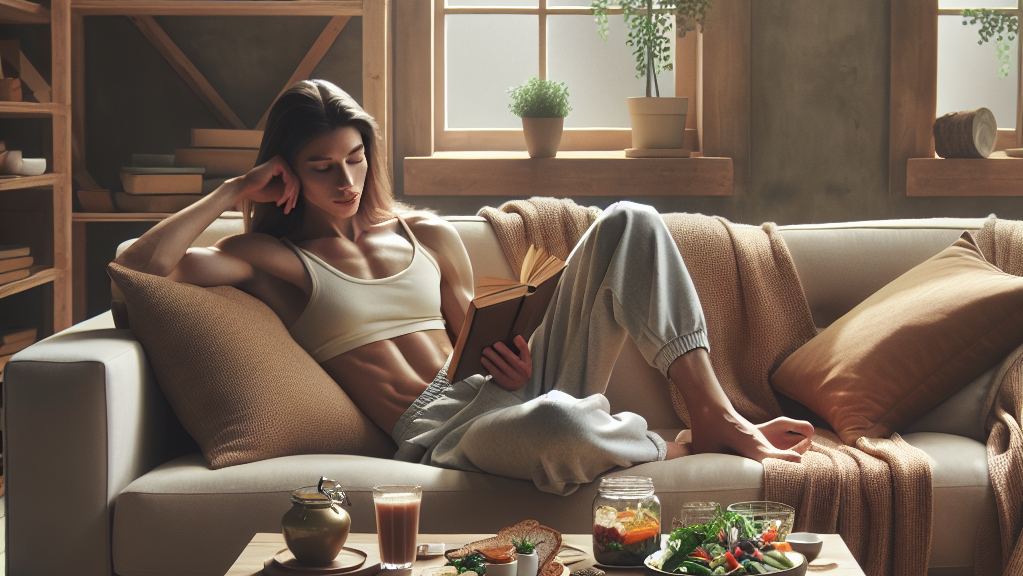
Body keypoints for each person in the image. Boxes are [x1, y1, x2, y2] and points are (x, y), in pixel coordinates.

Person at [119, 80, 811, 494]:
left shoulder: (427, 234)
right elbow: (140, 268)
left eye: (355, 159)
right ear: (284, 171)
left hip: (499, 388)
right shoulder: (274, 260)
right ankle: (672, 445)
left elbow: (471, 342)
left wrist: (512, 360)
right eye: (321, 166)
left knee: (631, 219)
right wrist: (232, 191)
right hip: (442, 431)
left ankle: (713, 414)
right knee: (559, 424)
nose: (346, 181)